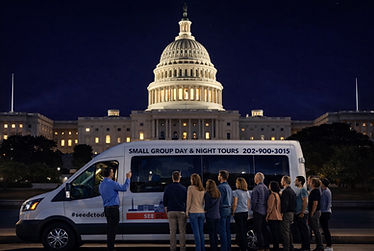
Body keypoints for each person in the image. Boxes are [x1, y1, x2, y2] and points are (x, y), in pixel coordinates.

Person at [99, 167, 131, 251]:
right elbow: (124, 188)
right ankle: (111, 248)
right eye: (112, 172)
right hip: (113, 209)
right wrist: (128, 178)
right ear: (110, 173)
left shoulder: (101, 184)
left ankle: (110, 246)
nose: (113, 173)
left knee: (110, 229)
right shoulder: (112, 183)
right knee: (112, 229)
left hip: (106, 209)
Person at [163, 171, 187, 251]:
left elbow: (165, 202)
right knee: (182, 232)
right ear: (179, 177)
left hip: (171, 211)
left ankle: (172, 248)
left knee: (172, 232)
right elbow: (186, 201)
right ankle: (182, 248)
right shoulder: (184, 188)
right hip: (181, 212)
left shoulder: (167, 188)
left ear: (172, 178)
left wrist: (167, 213)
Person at [186, 173, 206, 251]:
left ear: (193, 180)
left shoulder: (190, 188)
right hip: (201, 212)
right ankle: (202, 249)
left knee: (196, 233)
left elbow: (188, 201)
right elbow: (203, 202)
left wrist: (187, 211)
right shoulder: (202, 189)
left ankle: (198, 249)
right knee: (201, 232)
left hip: (193, 212)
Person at [251, 172, 270, 251]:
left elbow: (254, 201)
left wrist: (253, 209)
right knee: (264, 229)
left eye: (255, 178)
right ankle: (267, 246)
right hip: (265, 211)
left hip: (258, 211)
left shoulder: (256, 188)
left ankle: (261, 247)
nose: (254, 179)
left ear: (258, 179)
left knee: (258, 230)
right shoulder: (266, 188)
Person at [232, 177, 251, 251]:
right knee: (244, 230)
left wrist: (233, 212)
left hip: (238, 213)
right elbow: (248, 204)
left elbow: (235, 204)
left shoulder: (236, 192)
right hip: (245, 212)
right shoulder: (247, 192)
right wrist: (246, 209)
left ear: (238, 184)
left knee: (239, 230)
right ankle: (245, 245)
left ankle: (241, 246)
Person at [294, 176, 310, 251]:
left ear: (300, 182)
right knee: (301, 231)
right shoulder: (298, 190)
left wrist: (302, 212)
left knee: (304, 231)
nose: (295, 182)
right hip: (298, 212)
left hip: (302, 213)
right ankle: (304, 247)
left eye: (296, 180)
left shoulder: (303, 190)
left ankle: (306, 248)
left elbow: (305, 201)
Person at [218, 170, 233, 251]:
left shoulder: (220, 187)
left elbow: (219, 200)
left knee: (222, 231)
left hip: (222, 210)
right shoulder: (229, 187)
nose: (218, 177)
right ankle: (228, 248)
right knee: (227, 231)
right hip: (229, 210)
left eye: (218, 175)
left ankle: (224, 248)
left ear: (221, 176)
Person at [204, 179, 221, 251]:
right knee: (215, 233)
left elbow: (207, 206)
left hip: (210, 216)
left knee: (211, 234)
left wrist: (204, 210)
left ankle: (213, 248)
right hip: (217, 215)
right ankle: (216, 247)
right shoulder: (218, 193)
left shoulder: (207, 194)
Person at [280, 175, 296, 251]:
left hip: (286, 213)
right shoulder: (292, 191)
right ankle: (291, 246)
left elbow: (285, 204)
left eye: (282, 180)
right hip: (291, 213)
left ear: (285, 182)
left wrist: (282, 212)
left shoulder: (285, 191)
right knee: (289, 231)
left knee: (285, 231)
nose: (281, 182)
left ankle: (286, 248)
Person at [266, 181, 282, 251]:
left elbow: (270, 207)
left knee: (274, 233)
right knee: (277, 233)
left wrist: (267, 216)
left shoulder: (272, 195)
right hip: (278, 216)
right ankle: (277, 246)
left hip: (273, 216)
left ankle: (275, 247)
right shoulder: (278, 195)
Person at [308, 178, 323, 251]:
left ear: (313, 184)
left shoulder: (315, 191)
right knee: (316, 229)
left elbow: (315, 203)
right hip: (316, 212)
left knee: (316, 229)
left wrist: (312, 213)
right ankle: (319, 246)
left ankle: (320, 246)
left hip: (315, 212)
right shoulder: (314, 191)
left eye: (310, 182)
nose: (309, 183)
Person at [320, 178, 332, 251]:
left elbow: (327, 203)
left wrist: (323, 211)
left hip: (325, 212)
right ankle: (328, 245)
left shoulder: (326, 192)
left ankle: (329, 246)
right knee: (325, 230)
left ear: (323, 184)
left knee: (326, 230)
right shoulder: (325, 190)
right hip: (326, 211)